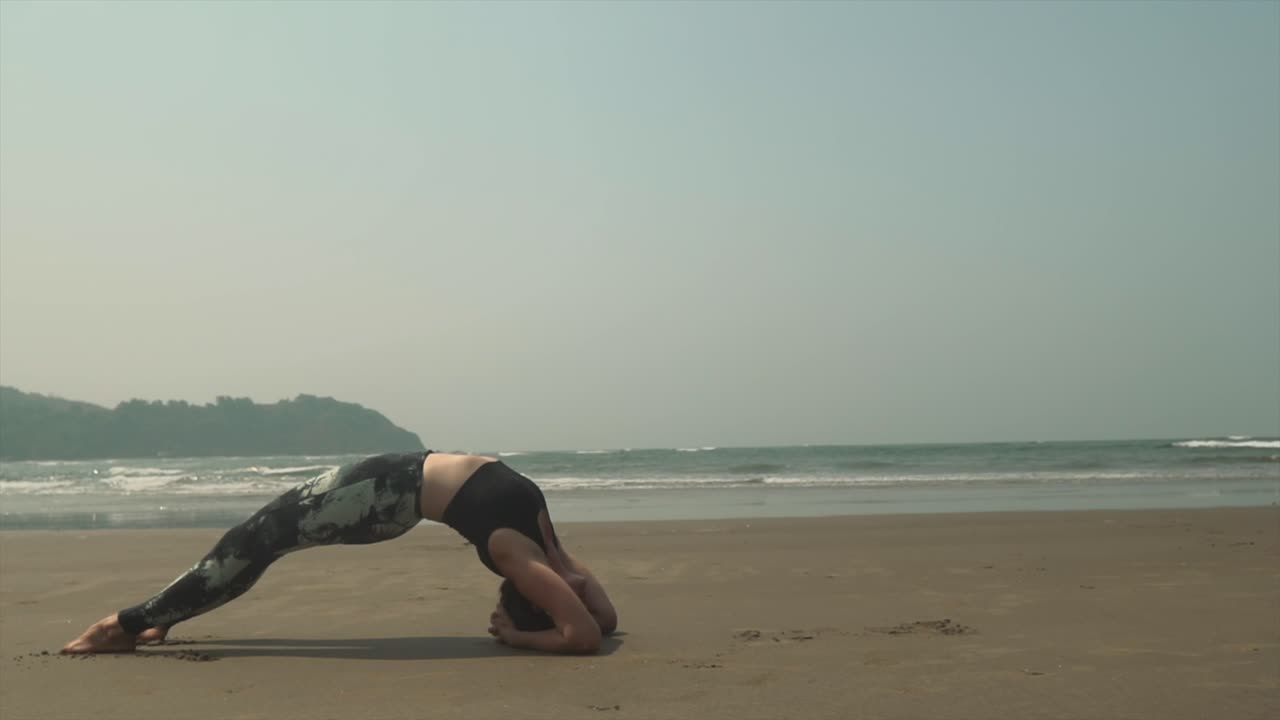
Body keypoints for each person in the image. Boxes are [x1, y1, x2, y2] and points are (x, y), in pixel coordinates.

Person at [61, 452, 618, 655]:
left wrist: (532, 625)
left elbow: (591, 627)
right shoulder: (530, 560)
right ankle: (158, 618)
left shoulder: (548, 553)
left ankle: (124, 625)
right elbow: (593, 630)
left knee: (254, 542)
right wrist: (521, 635)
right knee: (254, 543)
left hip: (391, 491)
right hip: (384, 492)